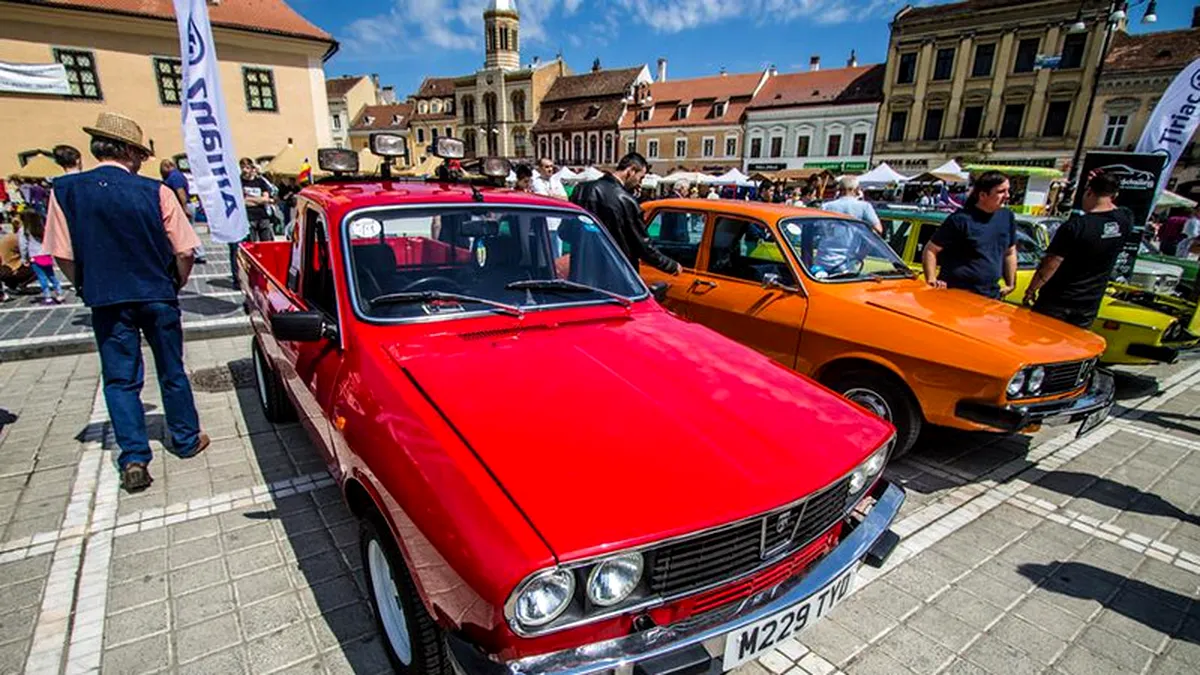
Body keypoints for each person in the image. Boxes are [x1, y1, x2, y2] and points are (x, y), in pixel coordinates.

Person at [43, 112, 208, 492]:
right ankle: (185, 440)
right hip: (156, 291)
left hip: (107, 295)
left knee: (120, 379)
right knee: (172, 370)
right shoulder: (156, 191)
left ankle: (134, 456)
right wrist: (176, 283)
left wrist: (85, 284)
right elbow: (184, 250)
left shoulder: (66, 190)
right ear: (130, 152)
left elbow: (62, 254)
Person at [1022, 172, 1131, 328]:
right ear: (1115, 195)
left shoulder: (1076, 226)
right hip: (1090, 301)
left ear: (1089, 192)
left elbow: (1052, 263)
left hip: (1058, 300)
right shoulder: (1125, 219)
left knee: (1041, 341)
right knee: (1074, 345)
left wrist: (1032, 288)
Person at [570, 152, 681, 275]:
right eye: (641, 177)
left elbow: (565, 232)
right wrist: (671, 266)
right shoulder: (626, 200)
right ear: (631, 171)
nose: (640, 183)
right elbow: (642, 246)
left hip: (582, 270)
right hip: (614, 274)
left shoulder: (580, 190)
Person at [923, 170, 1017, 299]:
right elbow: (931, 250)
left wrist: (1011, 283)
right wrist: (932, 280)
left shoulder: (1007, 216)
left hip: (990, 295)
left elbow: (1010, 252)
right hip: (957, 294)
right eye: (1001, 191)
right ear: (983, 195)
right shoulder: (960, 219)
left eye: (1008, 190)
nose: (1007, 195)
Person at [160, 159, 206, 264]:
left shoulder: (174, 177)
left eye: (162, 169)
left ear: (167, 167)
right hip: (184, 205)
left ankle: (199, 253)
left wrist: (184, 208)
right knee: (188, 230)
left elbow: (181, 193)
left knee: (189, 230)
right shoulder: (177, 175)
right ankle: (197, 253)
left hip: (184, 206)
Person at [18, 211, 63, 304]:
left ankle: (48, 296)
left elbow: (23, 245)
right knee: (51, 275)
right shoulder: (43, 228)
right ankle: (59, 294)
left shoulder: (24, 230)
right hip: (46, 255)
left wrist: (24, 258)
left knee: (42, 277)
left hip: (35, 256)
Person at [1, 219, 34, 301]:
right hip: (10, 268)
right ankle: (21, 285)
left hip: (5, 267)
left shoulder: (10, 236)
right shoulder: (17, 238)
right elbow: (27, 251)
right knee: (39, 265)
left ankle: (12, 285)